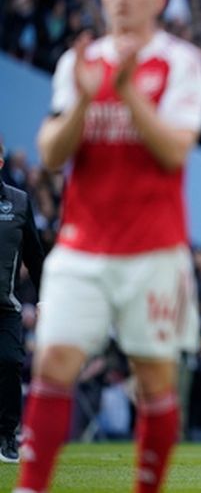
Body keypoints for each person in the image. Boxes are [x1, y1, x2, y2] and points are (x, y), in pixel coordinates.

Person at [15, 0, 201, 491]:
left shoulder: (182, 63)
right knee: (53, 362)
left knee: (154, 380)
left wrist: (128, 95)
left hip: (154, 251)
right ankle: (32, 487)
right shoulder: (79, 63)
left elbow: (173, 151)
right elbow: (52, 155)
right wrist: (84, 98)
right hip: (82, 247)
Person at [0, 142, 45, 464]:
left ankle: (7, 436)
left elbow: (36, 256)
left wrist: (44, 298)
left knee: (10, 363)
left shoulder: (18, 202)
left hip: (6, 306)